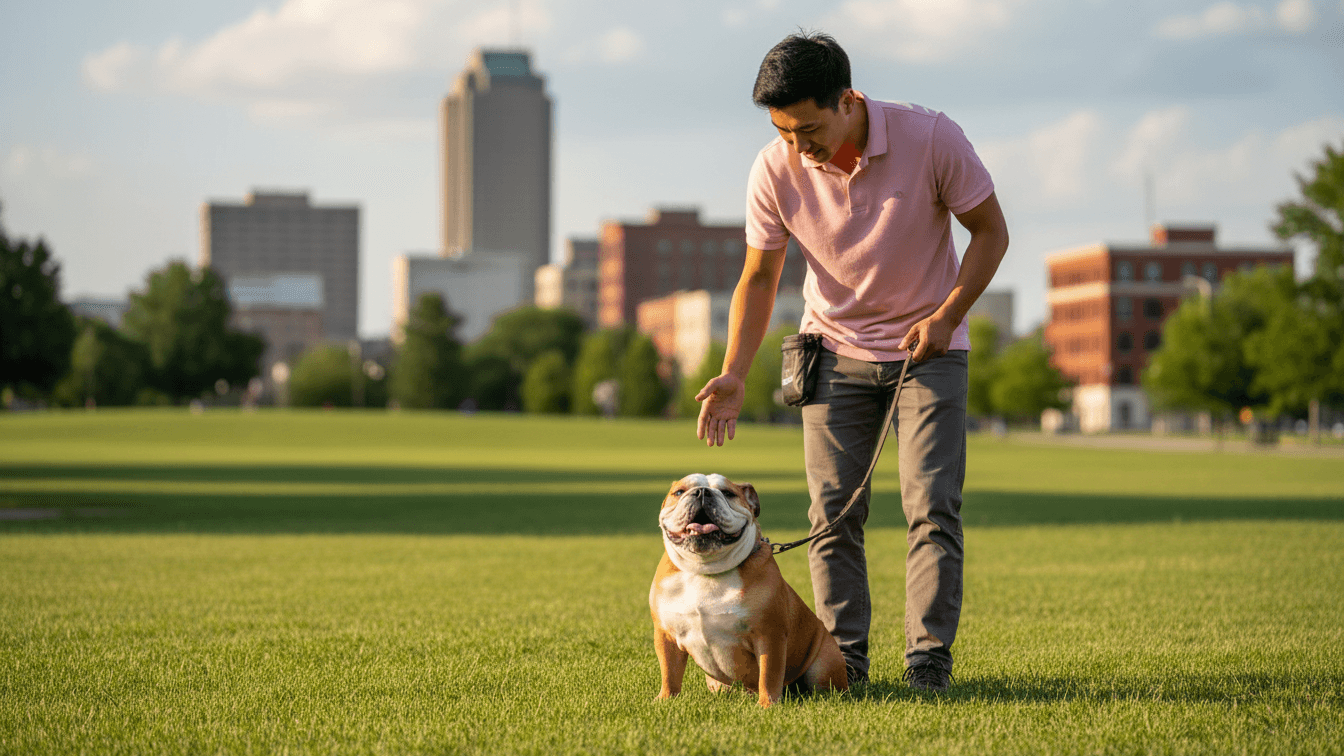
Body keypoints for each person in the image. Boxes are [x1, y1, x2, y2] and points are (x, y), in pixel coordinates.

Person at [694, 32, 1008, 693]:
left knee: (932, 508)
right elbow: (758, 276)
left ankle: (927, 663)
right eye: (783, 132)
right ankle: (846, 664)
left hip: (931, 351)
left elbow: (990, 232)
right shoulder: (775, 169)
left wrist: (947, 314)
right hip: (831, 353)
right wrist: (733, 370)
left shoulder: (930, 138)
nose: (797, 147)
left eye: (808, 129)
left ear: (848, 100)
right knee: (831, 513)